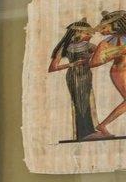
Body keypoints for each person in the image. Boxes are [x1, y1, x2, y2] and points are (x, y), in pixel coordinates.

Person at [50, 20, 99, 141]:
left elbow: (100, 52)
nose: (90, 35)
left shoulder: (88, 45)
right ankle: (83, 133)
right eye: (87, 33)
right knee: (79, 102)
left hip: (86, 74)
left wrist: (90, 57)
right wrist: (72, 64)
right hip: (74, 76)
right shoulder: (66, 47)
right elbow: (53, 67)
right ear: (78, 32)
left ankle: (90, 131)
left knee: (86, 101)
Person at [92, 10, 126, 138]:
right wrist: (116, 52)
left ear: (116, 25)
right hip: (120, 71)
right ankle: (103, 125)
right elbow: (94, 63)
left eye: (104, 27)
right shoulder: (105, 43)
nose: (101, 31)